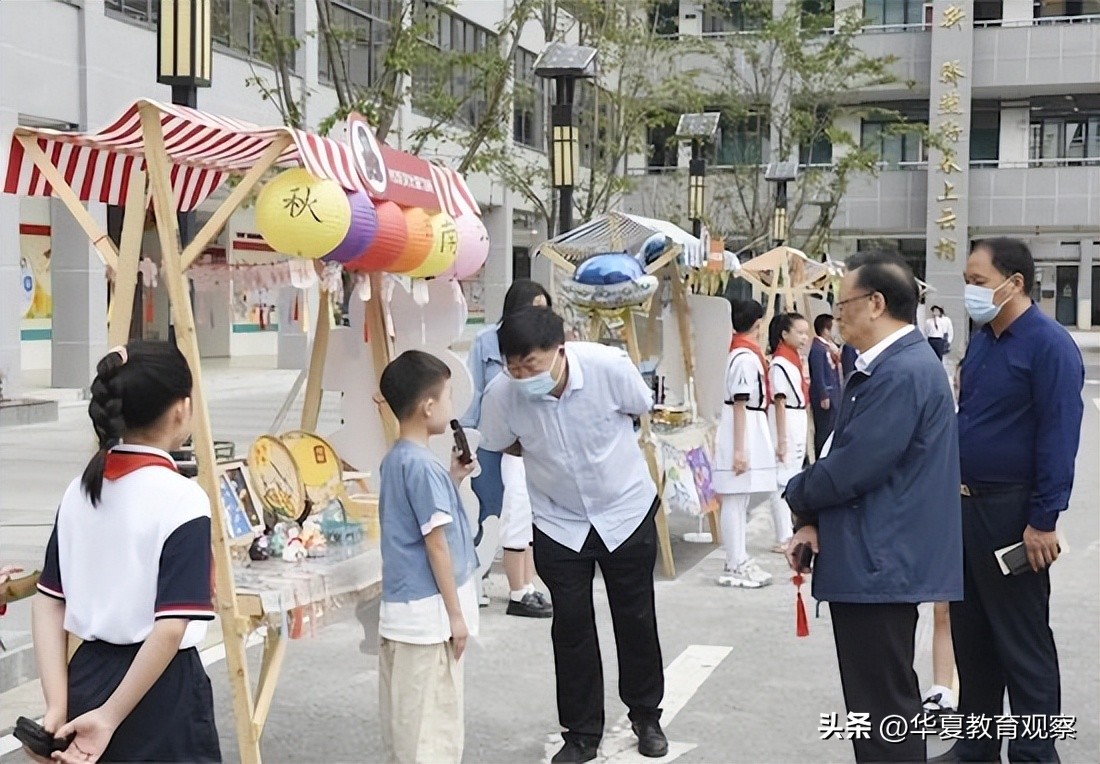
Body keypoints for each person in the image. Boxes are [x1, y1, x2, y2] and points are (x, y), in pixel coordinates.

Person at [783, 251, 963, 763]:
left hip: (880, 559)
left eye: (843, 305)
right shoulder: (889, 367)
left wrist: (796, 494)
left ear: (876, 303)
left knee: (884, 709)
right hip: (876, 553)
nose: (837, 317)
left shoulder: (901, 372)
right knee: (880, 705)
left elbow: (855, 467)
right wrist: (813, 519)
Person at [478, 307, 666, 764]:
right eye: (514, 367)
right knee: (572, 627)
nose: (523, 377)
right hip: (558, 521)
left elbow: (641, 406)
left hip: (625, 510)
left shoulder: (608, 367)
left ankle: (646, 714)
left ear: (560, 350)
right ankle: (581, 732)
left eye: (533, 365)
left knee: (635, 616)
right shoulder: (502, 394)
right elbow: (502, 439)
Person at [31, 342, 220, 764]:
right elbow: (170, 628)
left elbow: (48, 602)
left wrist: (57, 705)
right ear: (181, 409)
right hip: (160, 691)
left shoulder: (80, 489)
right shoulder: (182, 498)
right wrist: (110, 717)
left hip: (85, 676)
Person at [947, 238, 1084, 764]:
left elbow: (1058, 435)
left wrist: (1043, 520)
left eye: (978, 281)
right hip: (966, 509)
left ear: (1015, 283)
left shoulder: (1048, 345)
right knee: (972, 636)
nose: (969, 291)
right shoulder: (984, 338)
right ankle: (975, 748)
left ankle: (1033, 753)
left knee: (1022, 641)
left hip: (1014, 513)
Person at [376, 350, 479, 764]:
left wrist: (453, 478)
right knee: (433, 733)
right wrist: (456, 616)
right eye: (448, 397)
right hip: (428, 617)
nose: (451, 407)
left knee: (405, 725)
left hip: (403, 612)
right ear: (428, 406)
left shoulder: (397, 460)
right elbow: (436, 544)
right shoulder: (423, 468)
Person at [461, 279, 553, 618]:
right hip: (489, 438)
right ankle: (480, 577)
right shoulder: (487, 341)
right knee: (489, 508)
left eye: (544, 309)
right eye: (532, 308)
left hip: (526, 443)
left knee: (521, 512)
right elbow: (473, 389)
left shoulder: (548, 345)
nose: (538, 316)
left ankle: (523, 584)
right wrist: (466, 439)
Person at [713, 299, 776, 588]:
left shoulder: (744, 353)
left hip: (747, 424)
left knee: (740, 499)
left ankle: (738, 557)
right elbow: (740, 403)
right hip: (743, 426)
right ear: (758, 324)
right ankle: (735, 561)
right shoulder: (744, 357)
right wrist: (740, 450)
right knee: (735, 498)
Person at [765, 312, 810, 554]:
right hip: (786, 418)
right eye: (799, 332)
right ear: (784, 334)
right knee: (781, 477)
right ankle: (783, 534)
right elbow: (780, 401)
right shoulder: (780, 363)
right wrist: (781, 439)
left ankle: (788, 530)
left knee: (791, 473)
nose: (804, 337)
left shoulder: (794, 360)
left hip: (797, 415)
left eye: (805, 332)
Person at [807, 313, 842, 456]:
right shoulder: (817, 348)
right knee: (824, 428)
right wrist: (823, 394)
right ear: (826, 330)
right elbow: (818, 373)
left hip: (834, 392)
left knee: (832, 426)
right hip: (826, 394)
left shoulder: (828, 347)